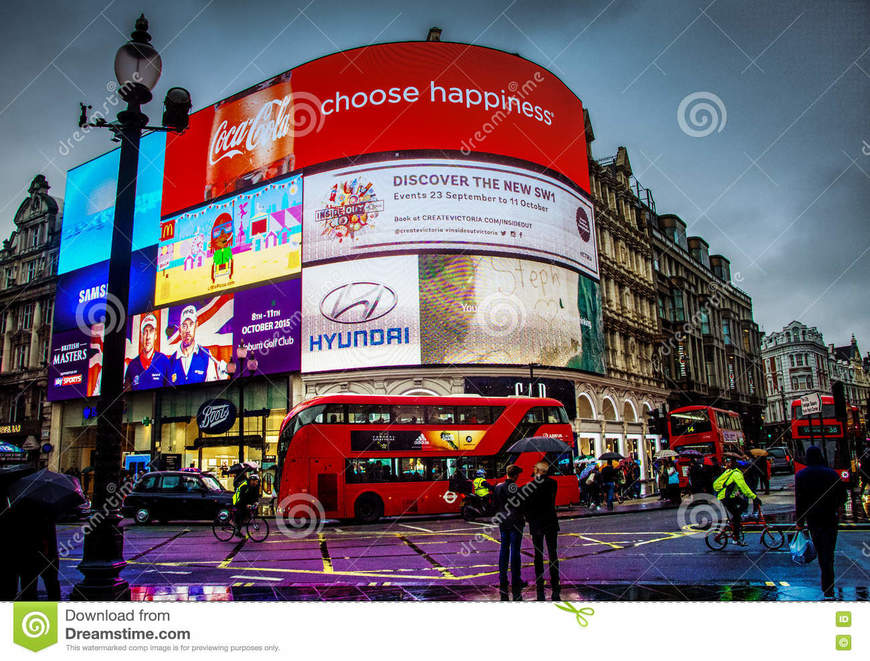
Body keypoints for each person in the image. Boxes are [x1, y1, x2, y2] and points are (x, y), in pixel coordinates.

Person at [795, 445, 848, 597]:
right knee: (829, 553)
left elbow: (800, 501)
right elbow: (843, 497)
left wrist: (800, 522)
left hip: (813, 519)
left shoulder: (801, 475)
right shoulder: (831, 474)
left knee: (821, 552)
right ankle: (829, 587)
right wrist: (836, 507)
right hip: (830, 518)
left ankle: (826, 584)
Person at [523, 462, 560, 601]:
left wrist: (528, 517)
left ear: (538, 471)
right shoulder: (553, 483)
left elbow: (526, 505)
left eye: (534, 469)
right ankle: (555, 581)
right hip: (550, 521)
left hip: (536, 523)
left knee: (538, 553)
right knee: (553, 552)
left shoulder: (530, 486)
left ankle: (540, 580)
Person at [168, 305, 227, 385]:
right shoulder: (171, 362)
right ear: (180, 329)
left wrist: (222, 380)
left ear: (196, 325)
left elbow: (212, 391)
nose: (188, 330)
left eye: (191, 324)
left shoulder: (207, 356)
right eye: (184, 325)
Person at [493, 465, 525, 601]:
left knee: (504, 550)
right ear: (516, 475)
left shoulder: (498, 487)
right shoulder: (514, 488)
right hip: (515, 522)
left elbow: (495, 505)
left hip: (503, 522)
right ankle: (516, 579)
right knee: (515, 552)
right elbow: (519, 504)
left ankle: (503, 579)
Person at [713, 456, 760, 545]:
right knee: (737, 517)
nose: (746, 471)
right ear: (743, 469)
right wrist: (755, 497)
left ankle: (735, 518)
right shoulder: (737, 474)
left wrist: (737, 491)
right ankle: (736, 539)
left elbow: (734, 486)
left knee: (744, 503)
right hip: (725, 497)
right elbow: (744, 488)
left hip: (730, 496)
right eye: (746, 469)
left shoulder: (733, 472)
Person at [124, 313, 170, 390]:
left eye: (151, 331)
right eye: (145, 331)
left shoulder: (164, 361)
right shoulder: (132, 365)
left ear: (155, 335)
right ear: (141, 336)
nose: (148, 337)